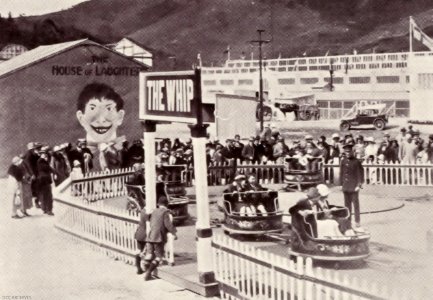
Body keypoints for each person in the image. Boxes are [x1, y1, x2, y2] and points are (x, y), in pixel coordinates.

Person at [143, 196, 177, 281]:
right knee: (159, 257)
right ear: (167, 204)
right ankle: (148, 274)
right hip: (159, 237)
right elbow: (168, 224)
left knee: (149, 254)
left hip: (150, 235)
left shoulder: (154, 211)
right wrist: (174, 233)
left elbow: (151, 222)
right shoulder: (165, 212)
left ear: (158, 204)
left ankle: (146, 270)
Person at [339, 141, 364, 227]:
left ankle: (357, 221)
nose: (348, 153)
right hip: (346, 186)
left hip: (354, 187)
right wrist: (341, 184)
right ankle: (348, 221)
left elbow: (360, 173)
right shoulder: (343, 161)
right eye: (346, 152)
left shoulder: (356, 161)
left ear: (352, 152)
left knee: (355, 205)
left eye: (349, 151)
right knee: (347, 205)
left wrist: (359, 185)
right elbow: (341, 173)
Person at [37, 150, 57, 215]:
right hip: (44, 180)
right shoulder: (40, 161)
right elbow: (48, 168)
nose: (45, 155)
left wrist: (54, 172)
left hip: (43, 180)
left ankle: (45, 209)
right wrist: (54, 172)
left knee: (44, 195)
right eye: (43, 154)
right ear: (40, 155)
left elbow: (49, 168)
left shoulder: (42, 161)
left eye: (45, 154)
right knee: (48, 195)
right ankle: (48, 210)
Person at [134, 206, 148, 275]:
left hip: (139, 233)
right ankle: (145, 267)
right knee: (145, 252)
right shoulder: (147, 213)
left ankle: (138, 268)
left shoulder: (142, 211)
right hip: (144, 235)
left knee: (139, 251)